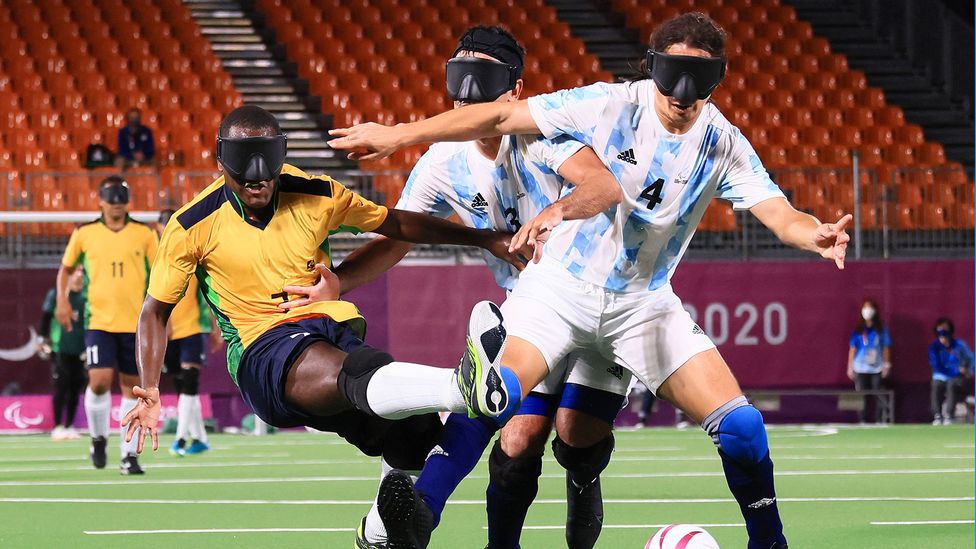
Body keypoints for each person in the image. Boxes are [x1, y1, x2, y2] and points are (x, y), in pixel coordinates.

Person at [328, 12, 854, 549]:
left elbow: (779, 213)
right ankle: (417, 518)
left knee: (737, 430)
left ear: (718, 78)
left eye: (701, 78)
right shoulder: (606, 103)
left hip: (643, 305)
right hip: (557, 290)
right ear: (652, 69)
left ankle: (769, 543)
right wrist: (397, 135)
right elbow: (494, 121)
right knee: (499, 403)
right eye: (672, 74)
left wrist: (813, 234)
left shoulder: (724, 143)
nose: (684, 92)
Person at [121, 105, 526, 548]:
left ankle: (375, 534)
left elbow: (397, 223)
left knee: (416, 433)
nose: (258, 182)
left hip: (332, 329)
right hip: (262, 351)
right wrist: (150, 387)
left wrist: (484, 238)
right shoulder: (191, 225)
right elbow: (154, 311)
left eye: (267, 172)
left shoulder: (317, 193)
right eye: (244, 174)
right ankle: (461, 386)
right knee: (358, 371)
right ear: (221, 163)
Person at [291, 26, 630, 549]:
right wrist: (341, 281)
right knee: (510, 430)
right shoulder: (441, 163)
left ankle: (584, 475)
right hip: (532, 305)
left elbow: (604, 184)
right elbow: (400, 233)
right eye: (458, 80)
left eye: (483, 81)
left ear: (515, 91)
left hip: (598, 294)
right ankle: (415, 520)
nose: (465, 95)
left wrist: (555, 211)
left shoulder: (546, 136)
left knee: (574, 434)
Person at [56, 175, 158, 474]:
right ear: (100, 202)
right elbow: (65, 269)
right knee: (99, 381)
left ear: (128, 203)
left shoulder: (144, 234)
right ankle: (98, 437)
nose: (116, 206)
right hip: (98, 321)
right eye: (111, 201)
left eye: (121, 201)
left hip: (134, 322)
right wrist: (63, 300)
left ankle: (129, 456)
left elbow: (160, 272)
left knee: (131, 388)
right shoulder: (85, 233)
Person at [155, 209, 222, 456]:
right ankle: (201, 438)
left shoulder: (193, 251)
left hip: (194, 328)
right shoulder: (153, 255)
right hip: (168, 330)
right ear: (158, 227)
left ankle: (181, 439)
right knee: (182, 384)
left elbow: (208, 293)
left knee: (189, 383)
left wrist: (216, 326)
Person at [38, 268, 87, 440]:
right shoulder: (57, 295)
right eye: (77, 272)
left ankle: (70, 425)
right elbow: (45, 318)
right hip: (60, 349)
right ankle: (58, 426)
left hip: (79, 351)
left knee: (75, 388)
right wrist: (42, 341)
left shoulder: (86, 297)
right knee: (61, 387)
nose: (80, 275)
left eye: (83, 272)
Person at [846, 299, 891, 423]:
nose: (867, 311)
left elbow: (886, 347)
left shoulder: (881, 329)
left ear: (875, 311)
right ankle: (862, 420)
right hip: (860, 367)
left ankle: (880, 419)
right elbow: (852, 349)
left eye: (870, 308)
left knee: (878, 393)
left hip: (876, 367)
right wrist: (850, 367)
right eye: (865, 308)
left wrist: (887, 364)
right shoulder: (858, 330)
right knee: (861, 395)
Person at [929, 317, 974, 425]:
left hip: (958, 378)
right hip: (941, 377)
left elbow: (972, 360)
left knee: (951, 384)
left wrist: (969, 372)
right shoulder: (934, 348)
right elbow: (936, 365)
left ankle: (949, 415)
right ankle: (937, 415)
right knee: (936, 384)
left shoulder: (960, 345)